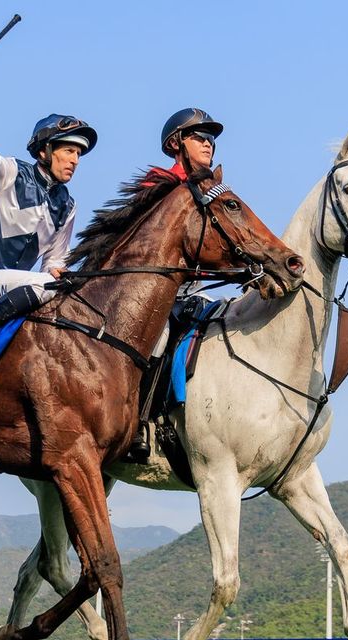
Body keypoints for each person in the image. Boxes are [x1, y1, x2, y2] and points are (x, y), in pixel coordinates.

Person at [0, 56, 97, 361]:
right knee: (47, 285)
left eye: (78, 153)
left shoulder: (67, 205)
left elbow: (54, 263)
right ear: (43, 151)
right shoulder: (10, 174)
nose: (75, 159)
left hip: (12, 290)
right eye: (68, 150)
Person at [129, 108, 225, 460]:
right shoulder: (157, 183)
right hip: (156, 291)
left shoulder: (214, 189)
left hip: (195, 292)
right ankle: (140, 421)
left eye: (211, 139)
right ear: (176, 144)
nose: (208, 144)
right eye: (199, 137)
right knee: (162, 336)